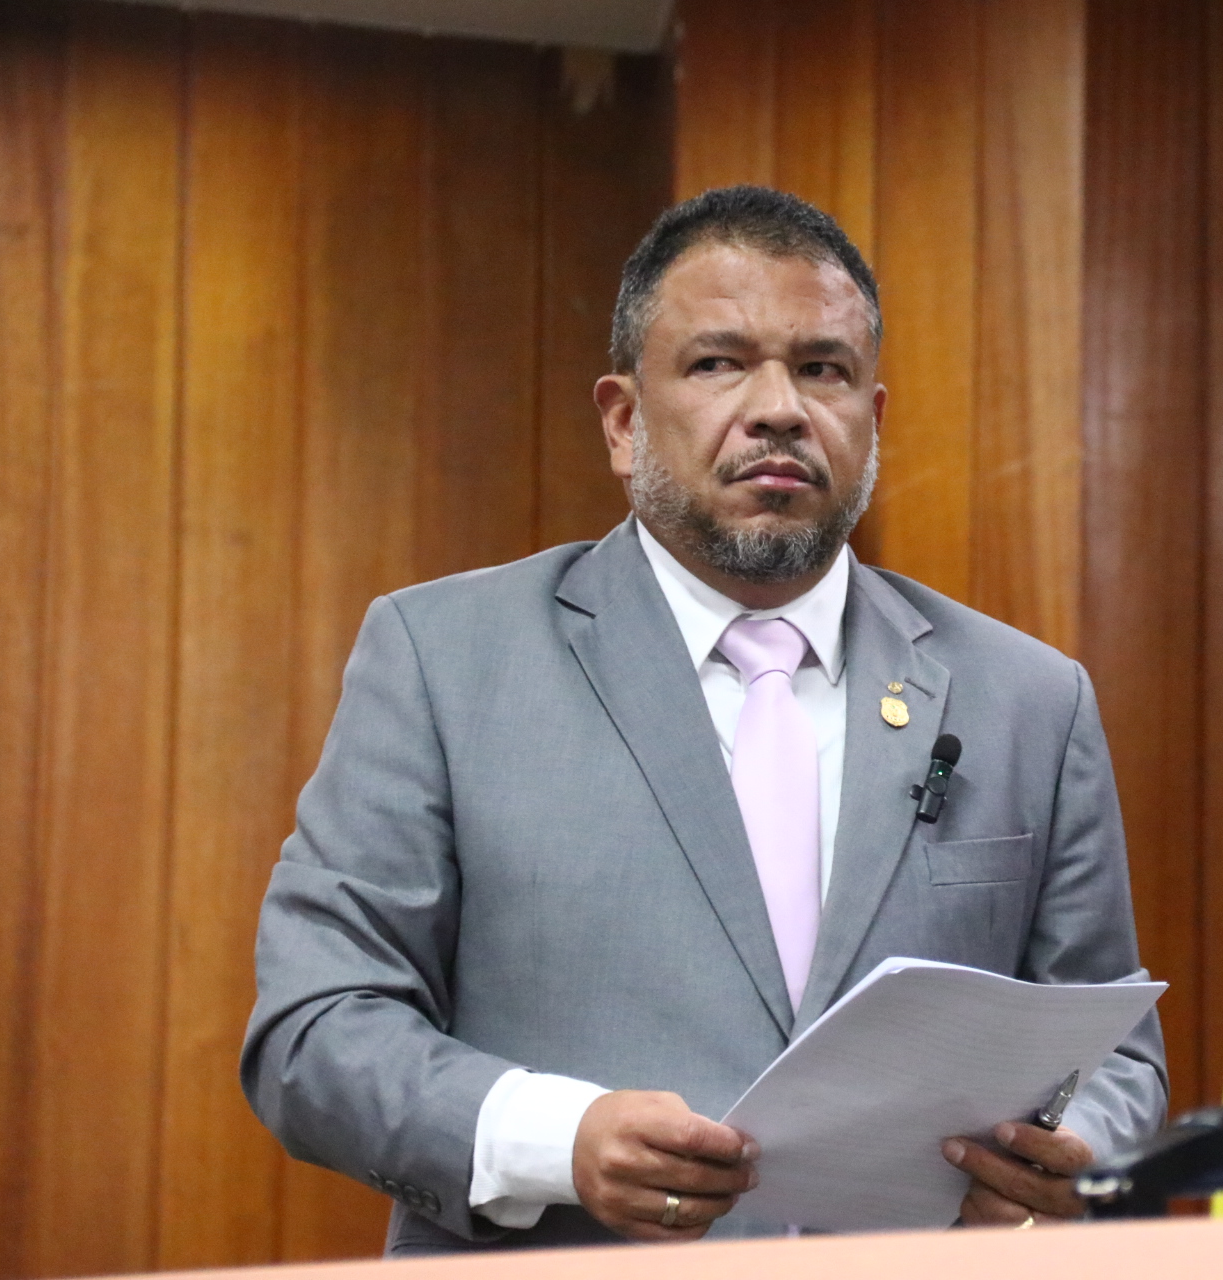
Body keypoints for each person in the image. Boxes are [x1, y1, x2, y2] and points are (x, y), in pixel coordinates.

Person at [241, 185, 1167, 1254]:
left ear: (872, 420)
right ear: (624, 420)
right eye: (719, 363)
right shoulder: (445, 661)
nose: (780, 409)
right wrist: (561, 1138)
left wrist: (1067, 1153)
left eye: (822, 369)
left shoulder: (1029, 699)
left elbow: (1114, 1052)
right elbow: (316, 1026)